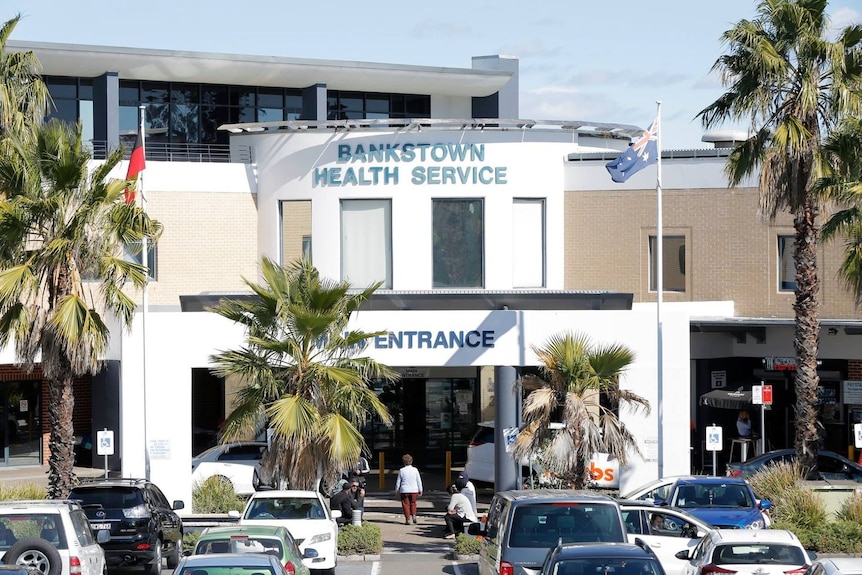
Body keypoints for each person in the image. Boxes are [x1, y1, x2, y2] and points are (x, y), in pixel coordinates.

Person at [395, 453, 423, 525]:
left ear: (404, 462)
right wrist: (420, 489)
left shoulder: (401, 470)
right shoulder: (415, 470)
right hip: (414, 489)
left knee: (405, 504)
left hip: (404, 490)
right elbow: (418, 480)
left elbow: (398, 482)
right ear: (411, 461)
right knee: (413, 503)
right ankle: (414, 515)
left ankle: (407, 519)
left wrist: (397, 490)